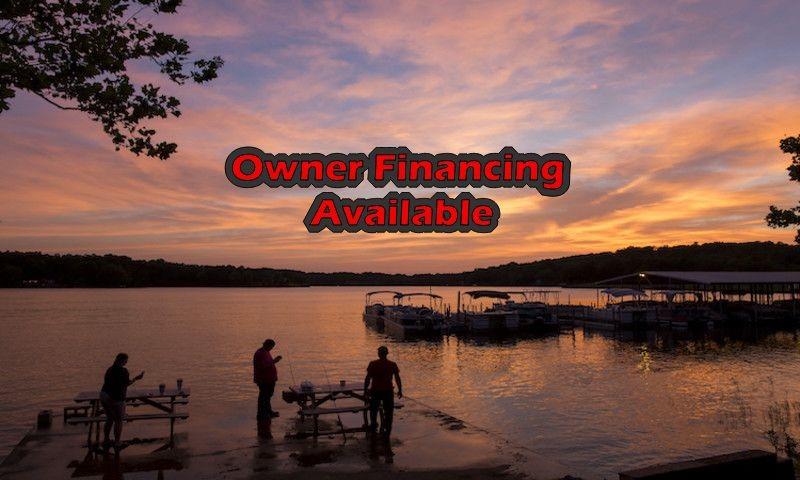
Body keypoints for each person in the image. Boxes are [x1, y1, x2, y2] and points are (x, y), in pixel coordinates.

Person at [100, 353, 144, 451]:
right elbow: (127, 383)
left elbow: (108, 382)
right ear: (122, 361)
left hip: (104, 395)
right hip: (116, 398)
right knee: (119, 421)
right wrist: (136, 378)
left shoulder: (109, 369)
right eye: (126, 360)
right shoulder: (124, 371)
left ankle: (106, 440)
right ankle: (117, 442)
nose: (126, 362)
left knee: (109, 418)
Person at [364, 345, 402, 437]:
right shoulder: (392, 364)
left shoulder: (372, 364)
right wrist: (400, 390)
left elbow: (368, 378)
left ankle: (373, 429)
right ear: (387, 354)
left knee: (373, 412)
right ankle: (387, 431)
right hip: (388, 392)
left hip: (375, 391)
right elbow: (397, 378)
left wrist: (365, 390)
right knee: (389, 413)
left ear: (378, 354)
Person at [253, 339, 282, 424]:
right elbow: (262, 366)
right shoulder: (260, 353)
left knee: (268, 396)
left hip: (269, 379)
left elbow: (268, 363)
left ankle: (268, 412)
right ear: (267, 345)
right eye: (271, 347)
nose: (272, 348)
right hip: (264, 379)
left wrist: (274, 361)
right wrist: (274, 361)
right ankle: (262, 414)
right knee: (263, 397)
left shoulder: (265, 352)